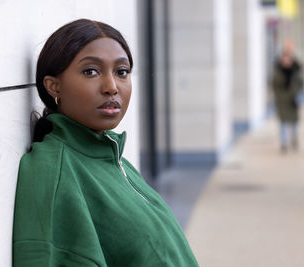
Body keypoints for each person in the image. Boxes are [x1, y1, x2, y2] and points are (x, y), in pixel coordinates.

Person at [12, 19, 199, 267]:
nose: (111, 87)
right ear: (54, 86)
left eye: (121, 72)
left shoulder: (112, 156)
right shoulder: (52, 170)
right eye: (91, 71)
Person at [272, 42, 303, 153]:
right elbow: (274, 86)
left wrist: (297, 94)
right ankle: (284, 143)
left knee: (294, 123)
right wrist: (278, 96)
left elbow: (301, 84)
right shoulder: (278, 72)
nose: (286, 61)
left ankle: (294, 140)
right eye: (284, 58)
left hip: (293, 100)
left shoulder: (296, 70)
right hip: (282, 101)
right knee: (283, 123)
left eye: (288, 59)